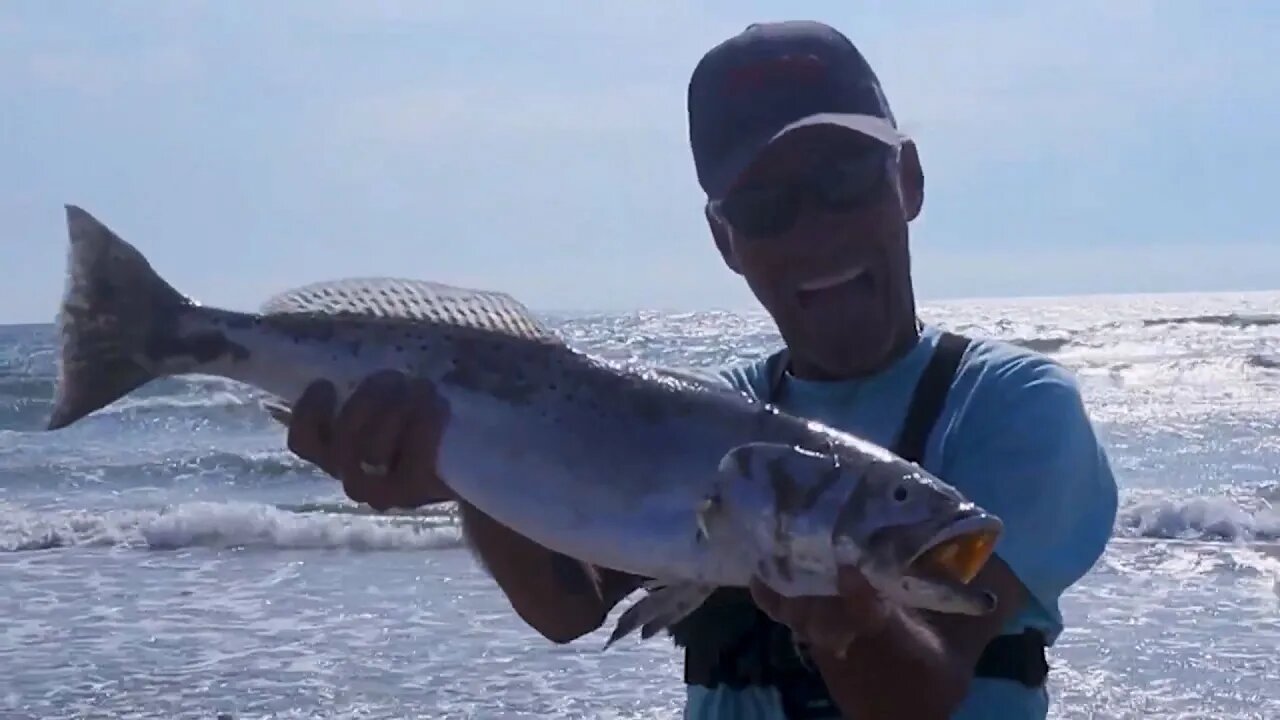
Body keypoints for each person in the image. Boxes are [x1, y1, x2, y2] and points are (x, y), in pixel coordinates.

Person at [284, 19, 1118, 720]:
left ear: (907, 180)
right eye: (766, 208)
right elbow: (566, 602)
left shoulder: (1013, 407)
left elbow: (921, 690)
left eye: (842, 179)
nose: (814, 233)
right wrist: (460, 464)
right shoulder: (718, 414)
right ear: (726, 240)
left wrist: (846, 623)